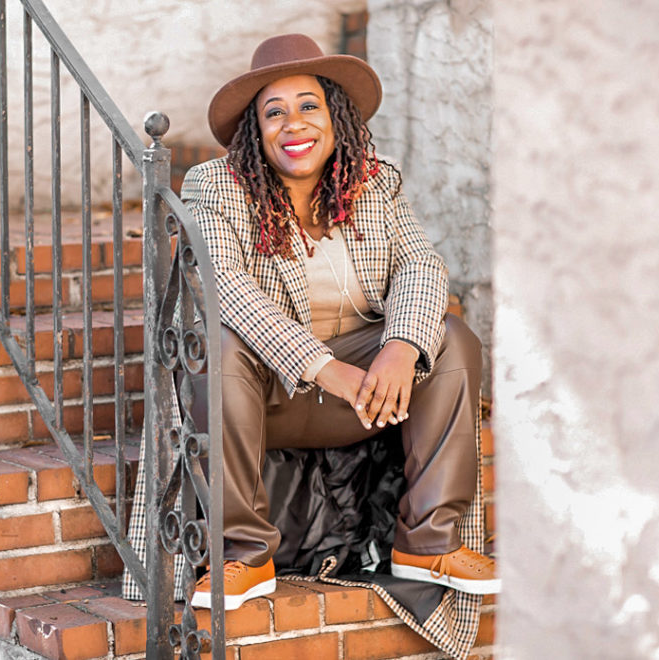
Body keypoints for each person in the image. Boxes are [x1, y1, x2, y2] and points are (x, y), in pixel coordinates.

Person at [181, 33, 500, 612]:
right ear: (255, 129)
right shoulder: (214, 187)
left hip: (368, 396)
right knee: (222, 344)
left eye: (308, 106)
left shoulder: (375, 182)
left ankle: (428, 544)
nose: (293, 124)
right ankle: (243, 554)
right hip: (269, 397)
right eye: (273, 112)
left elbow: (419, 264)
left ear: (334, 116)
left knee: (450, 337)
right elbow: (226, 288)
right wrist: (327, 368)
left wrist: (401, 348)